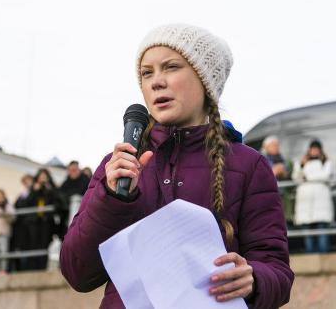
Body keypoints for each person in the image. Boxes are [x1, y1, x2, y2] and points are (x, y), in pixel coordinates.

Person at [60, 24, 293, 308]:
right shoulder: (116, 167)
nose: (156, 81)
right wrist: (112, 198)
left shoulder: (249, 165)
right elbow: (78, 273)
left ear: (205, 81)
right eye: (147, 73)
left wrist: (254, 279)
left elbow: (277, 272)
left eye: (171, 67)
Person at [292, 140, 334, 253]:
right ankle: (310, 256)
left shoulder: (327, 162)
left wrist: (307, 177)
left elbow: (325, 176)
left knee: (322, 234)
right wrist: (301, 166)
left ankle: (324, 257)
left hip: (321, 204)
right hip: (305, 205)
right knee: (308, 236)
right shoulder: (301, 162)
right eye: (312, 148)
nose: (314, 151)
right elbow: (296, 178)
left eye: (316, 148)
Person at [26, 168, 62, 270]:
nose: (42, 179)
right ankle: (33, 268)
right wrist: (34, 190)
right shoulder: (33, 189)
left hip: (46, 221)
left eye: (44, 176)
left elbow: (57, 202)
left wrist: (49, 190)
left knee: (44, 244)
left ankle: (42, 267)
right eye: (41, 176)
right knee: (33, 244)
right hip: (34, 221)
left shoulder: (52, 189)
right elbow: (27, 202)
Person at [261, 135, 294, 225]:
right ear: (266, 147)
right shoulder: (260, 160)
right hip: (268, 199)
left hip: (283, 198)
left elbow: (291, 179)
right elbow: (259, 180)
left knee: (284, 224)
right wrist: (273, 172)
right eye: (273, 145)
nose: (276, 147)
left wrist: (284, 173)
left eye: (277, 145)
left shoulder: (285, 160)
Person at [58, 161, 90, 236]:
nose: (73, 172)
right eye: (71, 170)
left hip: (84, 213)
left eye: (75, 170)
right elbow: (60, 195)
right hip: (68, 214)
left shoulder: (86, 180)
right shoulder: (66, 182)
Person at [11, 174, 33, 271]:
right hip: (20, 225)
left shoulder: (33, 193)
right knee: (18, 248)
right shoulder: (21, 195)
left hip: (28, 225)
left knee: (26, 247)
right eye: (25, 181)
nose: (26, 183)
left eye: (28, 181)